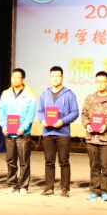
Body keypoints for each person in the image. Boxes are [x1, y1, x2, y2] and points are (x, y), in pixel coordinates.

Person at [80, 71, 107, 202]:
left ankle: (105, 191)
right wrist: (87, 124)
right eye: (98, 81)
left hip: (106, 138)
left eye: (103, 81)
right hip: (91, 138)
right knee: (94, 166)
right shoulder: (89, 98)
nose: (100, 84)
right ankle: (95, 190)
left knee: (106, 166)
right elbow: (84, 115)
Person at [38, 66, 79, 198]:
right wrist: (42, 120)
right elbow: (40, 111)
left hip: (63, 133)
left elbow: (75, 112)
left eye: (58, 76)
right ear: (50, 77)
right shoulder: (44, 94)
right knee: (49, 161)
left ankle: (64, 188)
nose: (55, 78)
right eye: (52, 76)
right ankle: (49, 188)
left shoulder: (69, 94)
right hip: (48, 133)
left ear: (62, 77)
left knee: (64, 161)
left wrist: (62, 121)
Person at [0, 68, 37, 195]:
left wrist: (23, 128)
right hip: (9, 132)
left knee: (24, 161)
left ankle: (24, 186)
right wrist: (3, 125)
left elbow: (31, 113)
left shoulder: (30, 93)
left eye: (17, 77)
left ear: (23, 79)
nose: (14, 79)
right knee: (10, 160)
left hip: (22, 133)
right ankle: (12, 184)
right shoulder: (6, 93)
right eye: (13, 77)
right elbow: (1, 110)